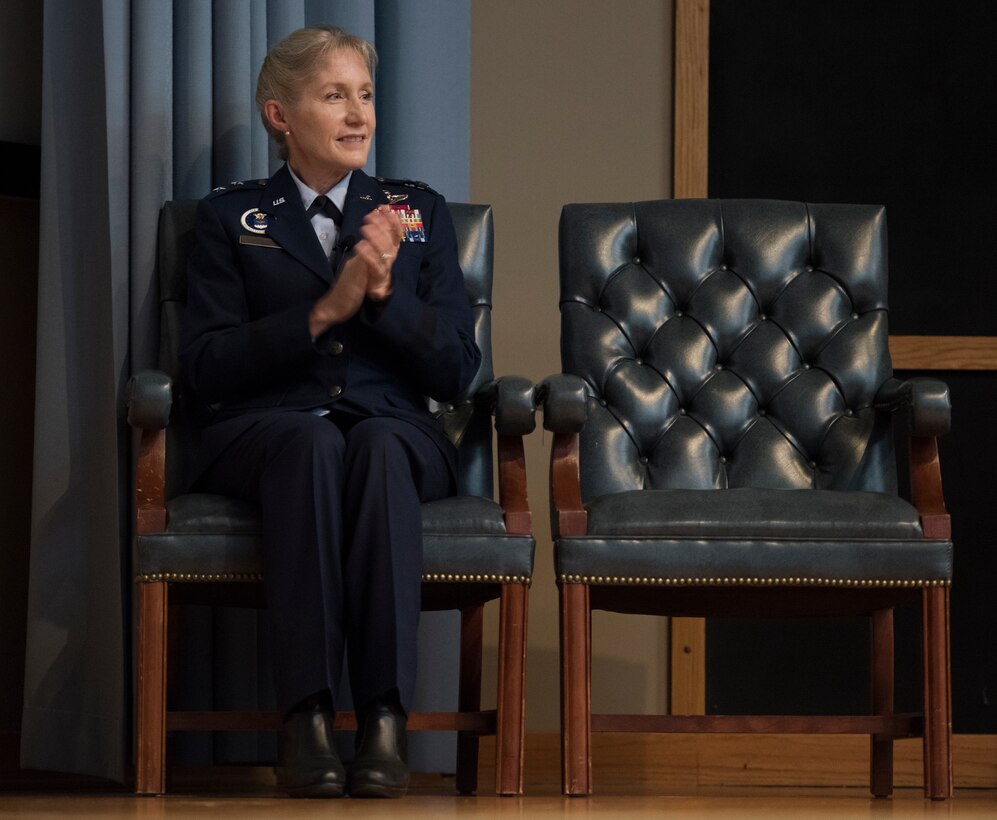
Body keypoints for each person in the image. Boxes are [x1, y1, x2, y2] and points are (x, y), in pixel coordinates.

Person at [178, 25, 481, 799]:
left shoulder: (416, 214)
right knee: (309, 447)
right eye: (334, 95)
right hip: (264, 428)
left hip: (398, 429)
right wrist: (322, 312)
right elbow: (205, 369)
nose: (358, 114)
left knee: (377, 446)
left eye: (366, 94)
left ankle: (383, 720)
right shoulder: (228, 220)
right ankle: (305, 719)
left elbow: (454, 368)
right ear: (281, 115)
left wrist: (380, 297)